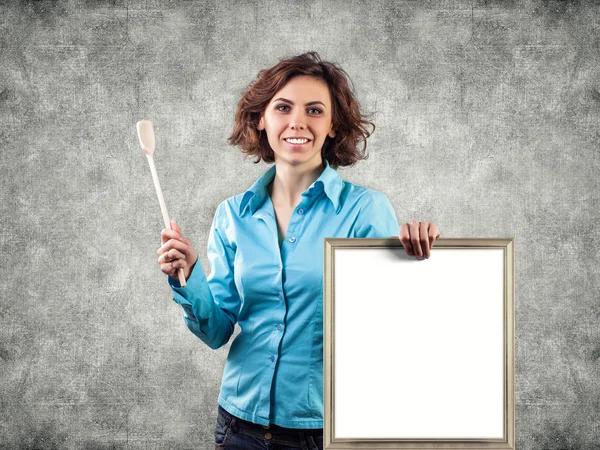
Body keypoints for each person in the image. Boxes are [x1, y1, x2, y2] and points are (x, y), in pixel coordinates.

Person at [156, 52, 440, 450]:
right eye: (283, 107)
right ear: (262, 118)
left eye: (315, 110)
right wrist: (188, 277)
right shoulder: (232, 215)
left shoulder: (365, 210)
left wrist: (419, 263)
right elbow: (218, 331)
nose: (297, 122)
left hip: (322, 431)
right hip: (238, 426)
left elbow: (385, 329)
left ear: (332, 125)